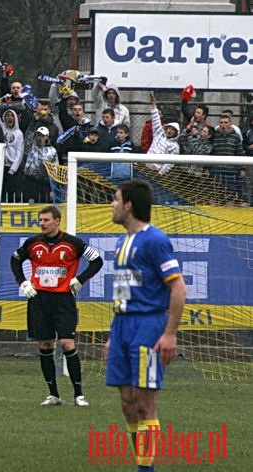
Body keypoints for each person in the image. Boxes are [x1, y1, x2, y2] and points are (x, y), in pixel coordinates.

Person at [107, 180, 187, 472]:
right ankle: (142, 461)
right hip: (122, 326)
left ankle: (145, 470)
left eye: (115, 199)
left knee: (144, 403)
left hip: (148, 325)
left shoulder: (155, 241)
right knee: (127, 400)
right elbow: (123, 290)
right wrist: (111, 335)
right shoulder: (121, 241)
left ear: (129, 205)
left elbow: (178, 287)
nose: (112, 205)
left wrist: (169, 333)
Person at [10, 205, 103, 406]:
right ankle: (53, 395)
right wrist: (23, 282)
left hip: (63, 300)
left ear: (57, 221)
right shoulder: (33, 243)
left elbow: (97, 260)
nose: (42, 223)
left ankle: (79, 394)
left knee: (67, 343)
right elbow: (15, 260)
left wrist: (80, 279)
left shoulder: (73, 243)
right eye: (40, 220)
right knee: (45, 345)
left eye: (46, 220)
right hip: (39, 300)